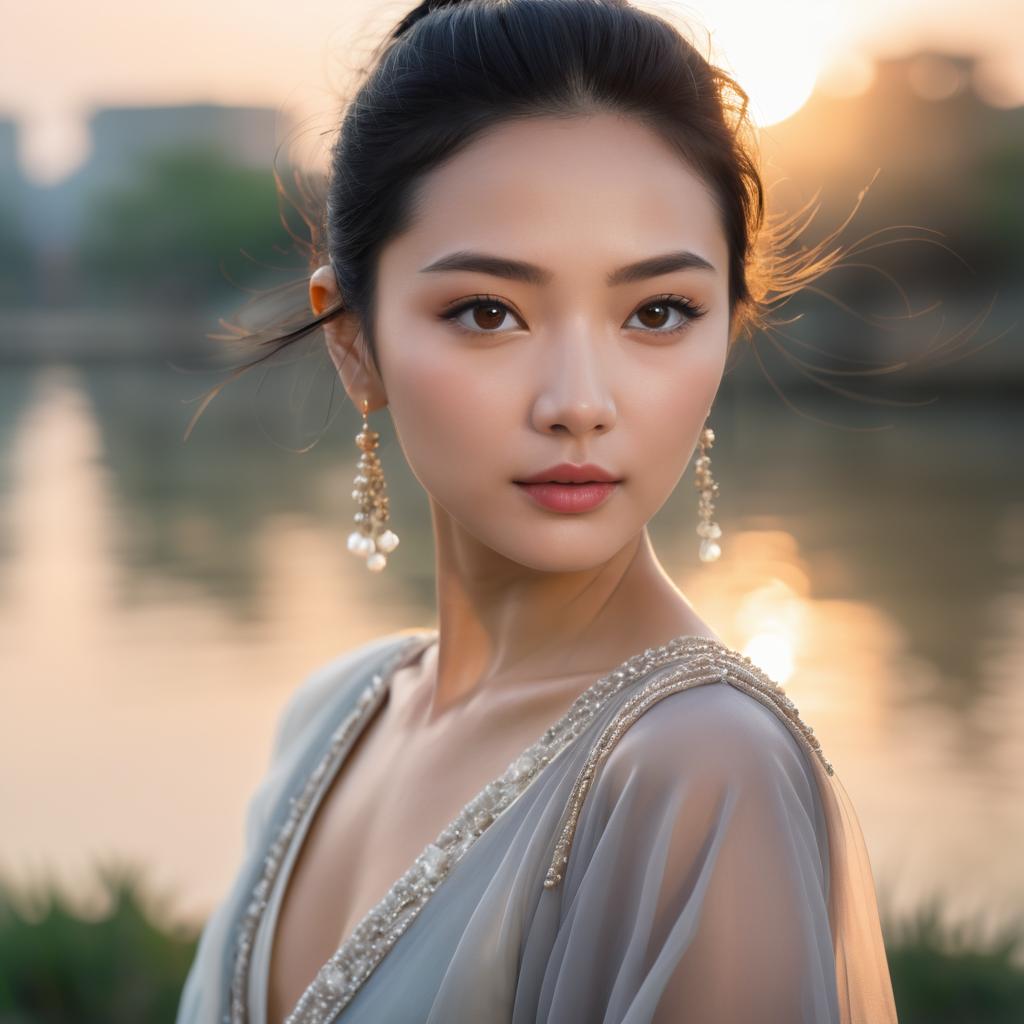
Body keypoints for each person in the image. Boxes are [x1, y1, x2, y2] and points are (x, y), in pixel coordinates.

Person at [175, 1, 900, 1021]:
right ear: (352, 339)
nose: (578, 403)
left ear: (726, 328)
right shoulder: (330, 716)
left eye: (657, 313)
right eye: (487, 312)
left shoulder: (699, 769)